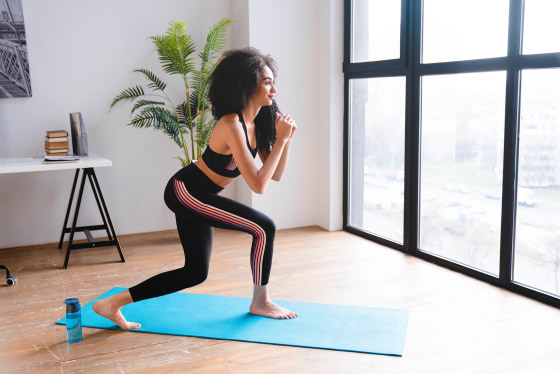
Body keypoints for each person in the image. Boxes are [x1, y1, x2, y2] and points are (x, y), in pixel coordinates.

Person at [93, 47, 298, 330]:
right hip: (185, 190)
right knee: (264, 227)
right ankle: (260, 301)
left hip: (200, 195)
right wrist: (282, 141)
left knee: (195, 272)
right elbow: (259, 184)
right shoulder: (231, 124)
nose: (274, 89)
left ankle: (111, 304)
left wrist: (283, 141)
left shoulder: (259, 121)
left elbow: (275, 175)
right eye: (267, 82)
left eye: (273, 81)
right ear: (247, 84)